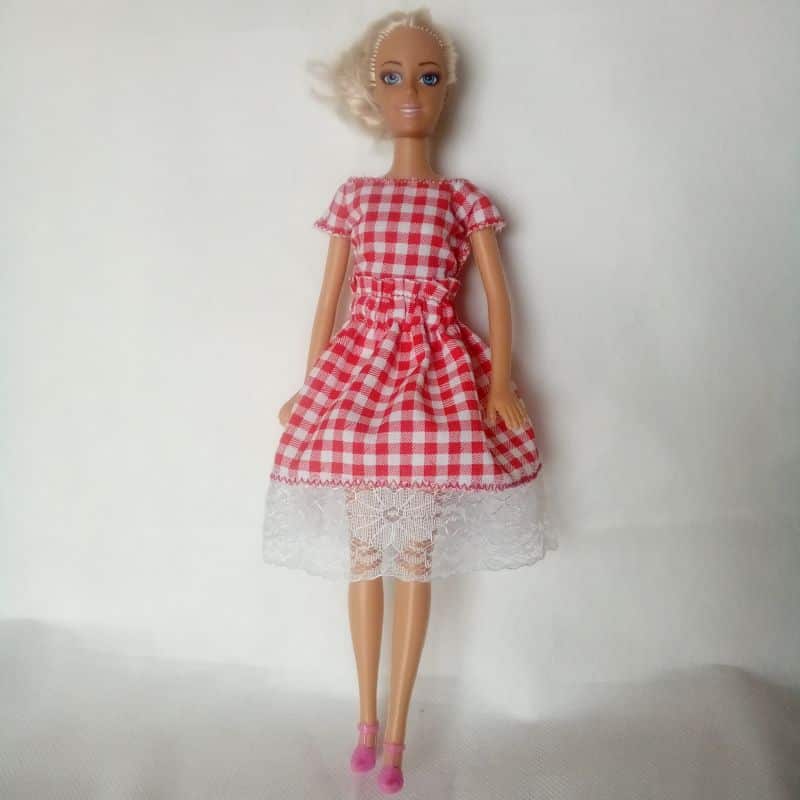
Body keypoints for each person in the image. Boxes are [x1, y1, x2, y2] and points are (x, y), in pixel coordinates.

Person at [261, 8, 557, 794]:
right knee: (366, 558)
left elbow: (498, 298)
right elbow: (330, 303)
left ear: (448, 89)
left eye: (428, 77)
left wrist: (499, 382)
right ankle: (364, 716)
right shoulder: (356, 197)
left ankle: (396, 736)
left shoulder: (462, 199)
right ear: (371, 90)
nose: (411, 93)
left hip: (436, 383)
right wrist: (311, 390)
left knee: (415, 562)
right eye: (392, 77)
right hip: (361, 379)